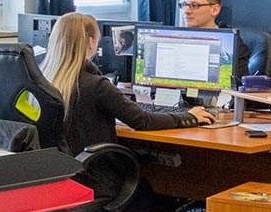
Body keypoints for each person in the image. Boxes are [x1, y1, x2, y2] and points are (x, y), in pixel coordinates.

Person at [39, 13, 214, 150]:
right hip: (96, 175)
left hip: (59, 175)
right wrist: (189, 118)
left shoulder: (42, 80)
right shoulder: (97, 86)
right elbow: (142, 121)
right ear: (91, 43)